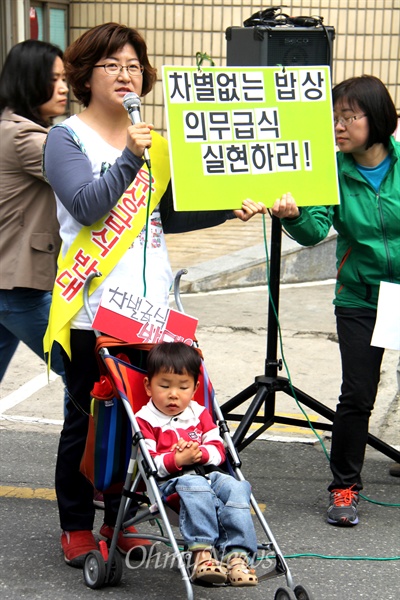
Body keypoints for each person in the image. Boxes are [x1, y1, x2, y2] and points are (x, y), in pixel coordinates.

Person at [42, 22, 267, 568]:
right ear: (85, 75)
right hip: (92, 311)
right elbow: (89, 205)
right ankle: (76, 524)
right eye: (113, 65)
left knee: (146, 423)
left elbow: (167, 213)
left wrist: (228, 206)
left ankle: (121, 521)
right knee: (88, 424)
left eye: (134, 66)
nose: (127, 75)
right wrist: (128, 159)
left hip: (153, 313)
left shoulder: (157, 145)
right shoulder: (65, 138)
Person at [271, 75, 400, 526]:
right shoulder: (330, 170)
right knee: (358, 394)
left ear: (377, 117)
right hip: (360, 295)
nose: (339, 126)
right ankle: (344, 488)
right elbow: (312, 232)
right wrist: (294, 215)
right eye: (336, 117)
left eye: (350, 116)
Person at [136, 341, 258, 586]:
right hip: (171, 485)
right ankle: (202, 554)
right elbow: (150, 463)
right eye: (164, 386)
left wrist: (200, 454)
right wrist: (177, 460)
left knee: (237, 487)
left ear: (195, 388)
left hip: (208, 474)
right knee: (194, 484)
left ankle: (238, 556)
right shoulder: (145, 419)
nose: (174, 394)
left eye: (183, 387)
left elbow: (218, 451)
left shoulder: (199, 413)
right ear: (148, 387)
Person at [0, 40, 68, 387]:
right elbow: (84, 175)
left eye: (64, 78)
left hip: (9, 280)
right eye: (53, 79)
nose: (64, 87)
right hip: (18, 285)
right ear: (29, 80)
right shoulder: (25, 137)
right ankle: (81, 444)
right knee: (80, 371)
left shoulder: (11, 128)